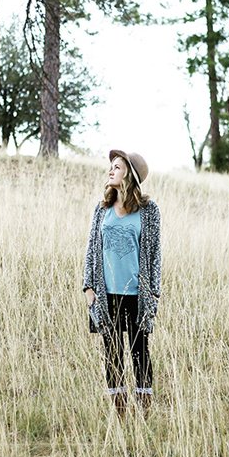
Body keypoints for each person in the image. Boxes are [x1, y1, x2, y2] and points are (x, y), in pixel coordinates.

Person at [82, 150, 162, 418]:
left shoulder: (149, 211)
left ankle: (144, 413)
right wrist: (89, 288)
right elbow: (91, 249)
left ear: (130, 174)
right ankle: (120, 415)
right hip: (106, 294)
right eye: (111, 166)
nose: (110, 171)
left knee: (140, 352)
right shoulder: (101, 209)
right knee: (112, 352)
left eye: (117, 167)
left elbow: (155, 254)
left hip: (137, 294)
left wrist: (154, 292)